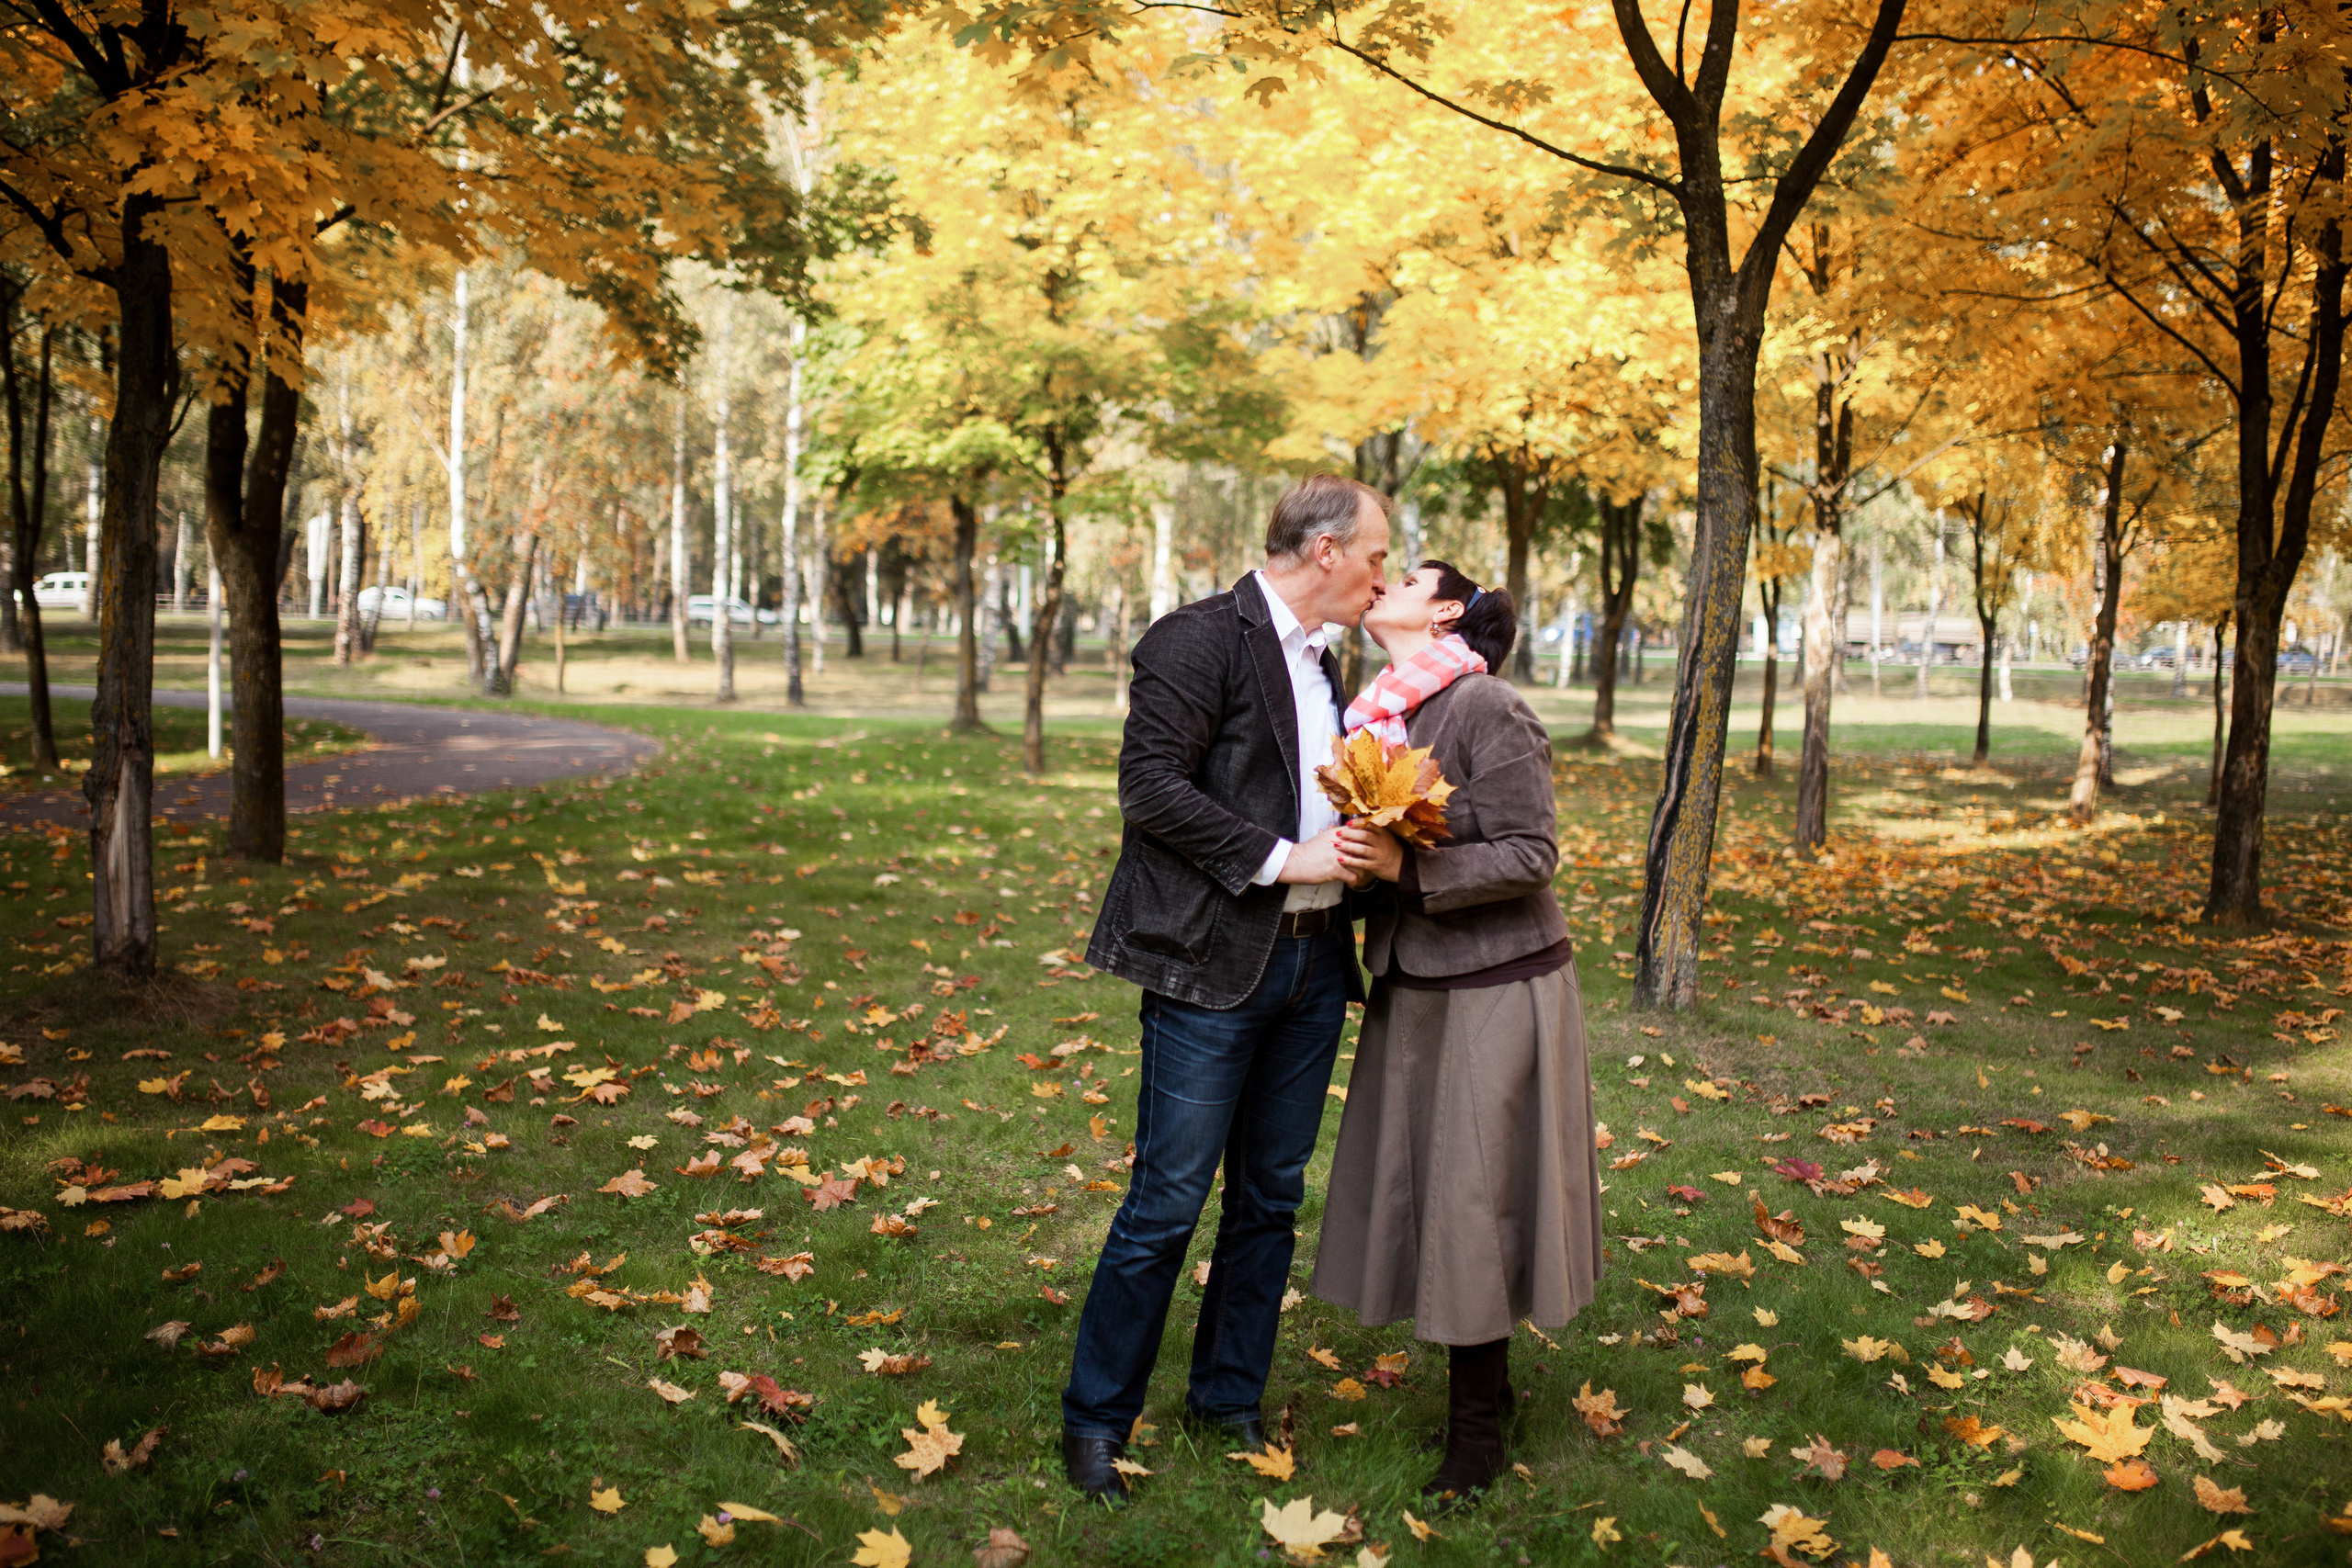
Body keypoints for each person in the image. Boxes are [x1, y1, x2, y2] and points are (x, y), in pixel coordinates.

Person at [1062, 474, 1392, 1500]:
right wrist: (1288, 859)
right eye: (1376, 555)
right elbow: (1150, 788)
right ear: (1326, 551)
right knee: (1166, 1202)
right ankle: (1095, 1421)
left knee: (1269, 1200)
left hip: (1313, 967)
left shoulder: (1325, 662)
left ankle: (1226, 1400)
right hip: (1212, 965)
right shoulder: (1197, 638)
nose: (1382, 575)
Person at [1315, 559, 1604, 1505]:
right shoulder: (1377, 716)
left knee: (1474, 1197)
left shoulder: (1487, 707)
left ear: (1444, 611)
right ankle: (1492, 1392)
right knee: (1431, 1192)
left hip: (1497, 984)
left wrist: (1405, 870)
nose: (1381, 584)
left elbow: (1532, 852)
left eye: (1404, 577)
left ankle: (1477, 1430)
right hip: (1414, 982)